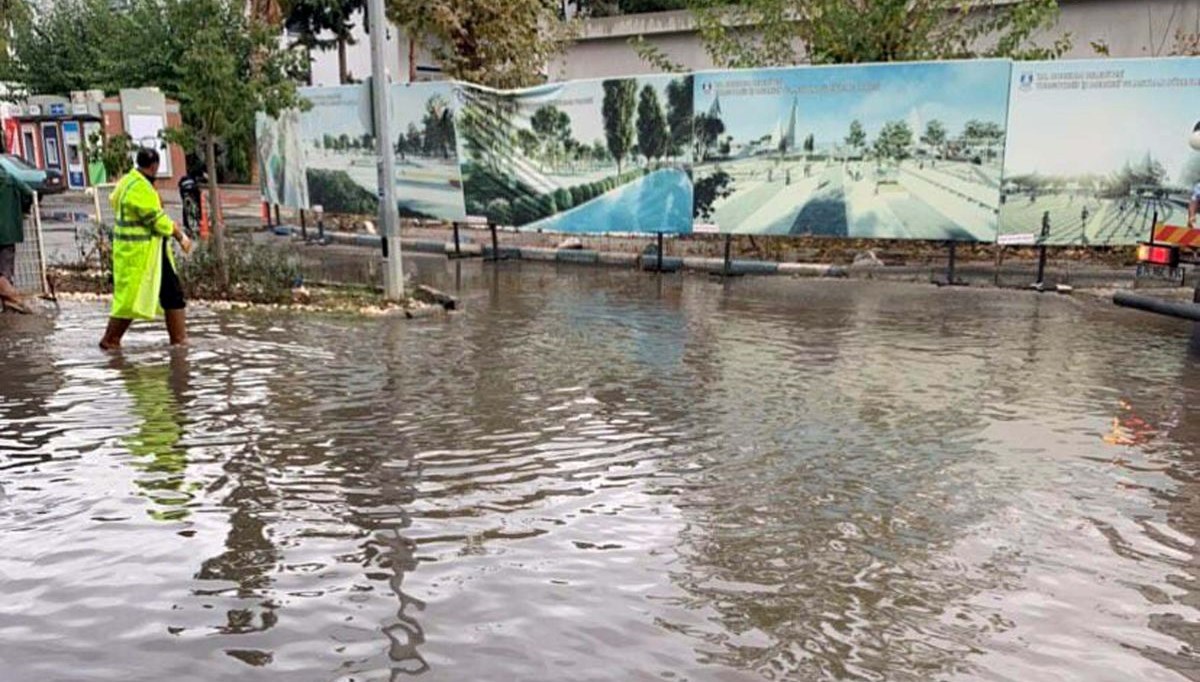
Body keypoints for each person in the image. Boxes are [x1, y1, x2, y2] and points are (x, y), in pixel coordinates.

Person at [99, 148, 193, 350]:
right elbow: (156, 219)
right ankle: (111, 340)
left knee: (172, 293)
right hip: (140, 255)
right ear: (155, 166)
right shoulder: (140, 188)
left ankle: (179, 343)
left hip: (149, 252)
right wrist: (180, 236)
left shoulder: (128, 181)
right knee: (132, 300)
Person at [0, 162, 33, 314]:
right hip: (9, 232)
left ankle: (13, 300)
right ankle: (10, 305)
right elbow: (28, 193)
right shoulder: (10, 178)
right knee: (6, 270)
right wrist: (23, 209)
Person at [177, 166, 206, 237]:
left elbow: (179, 185)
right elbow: (204, 179)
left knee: (185, 206)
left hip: (183, 189)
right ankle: (200, 217)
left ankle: (186, 225)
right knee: (199, 200)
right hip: (192, 188)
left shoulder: (184, 177)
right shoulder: (197, 174)